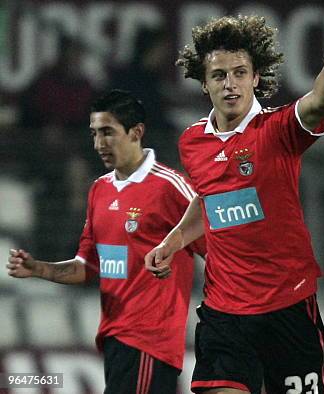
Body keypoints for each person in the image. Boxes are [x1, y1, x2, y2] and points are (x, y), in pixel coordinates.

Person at [145, 15, 324, 394]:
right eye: (219, 75)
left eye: (240, 72)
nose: (230, 84)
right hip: (224, 313)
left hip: (288, 306)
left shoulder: (278, 131)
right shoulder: (192, 142)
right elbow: (209, 199)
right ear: (204, 83)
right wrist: (172, 242)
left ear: (256, 77)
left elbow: (319, 102)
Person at [7, 90, 206, 394]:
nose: (99, 144)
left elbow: (219, 247)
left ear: (136, 132)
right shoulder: (99, 190)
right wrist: (38, 269)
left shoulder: (171, 188)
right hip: (115, 341)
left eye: (108, 132)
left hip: (151, 344)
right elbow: (87, 266)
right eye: (95, 133)